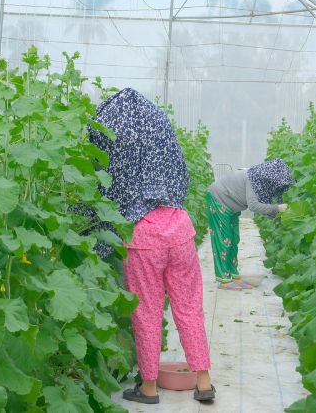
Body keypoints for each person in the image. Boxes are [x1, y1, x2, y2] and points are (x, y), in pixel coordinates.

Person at [89, 88, 215, 405]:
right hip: (179, 229)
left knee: (146, 313)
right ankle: (203, 382)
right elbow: (182, 175)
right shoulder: (159, 128)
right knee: (190, 308)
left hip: (143, 237)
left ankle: (149, 388)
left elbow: (104, 186)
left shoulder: (113, 134)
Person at [206, 159, 294, 290]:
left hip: (231, 205)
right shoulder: (253, 179)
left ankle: (234, 276)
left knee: (233, 239)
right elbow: (253, 205)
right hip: (218, 199)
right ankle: (223, 280)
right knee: (223, 240)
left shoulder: (259, 180)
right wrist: (277, 208)